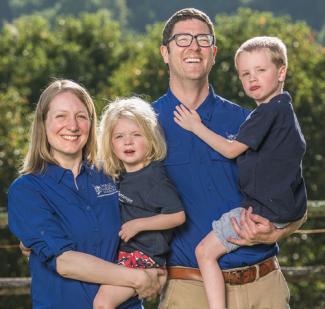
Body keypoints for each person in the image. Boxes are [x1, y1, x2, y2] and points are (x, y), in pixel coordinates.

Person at [154, 8, 307, 309]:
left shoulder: (249, 120)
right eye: (182, 39)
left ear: (213, 53)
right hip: (189, 291)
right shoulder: (143, 126)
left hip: (264, 287)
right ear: (165, 52)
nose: (193, 46)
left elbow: (293, 194)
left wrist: (276, 231)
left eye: (203, 39)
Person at [7, 80, 165, 309]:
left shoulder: (114, 175)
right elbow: (65, 262)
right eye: (61, 116)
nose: (72, 125)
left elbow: (153, 213)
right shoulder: (27, 190)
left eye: (81, 116)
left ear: (91, 123)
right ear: (43, 123)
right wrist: (138, 279)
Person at [93, 97, 185, 309]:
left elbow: (178, 215)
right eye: (119, 136)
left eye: (136, 135)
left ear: (151, 138)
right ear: (110, 143)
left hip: (144, 257)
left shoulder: (154, 177)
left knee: (102, 303)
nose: (128, 142)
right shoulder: (118, 175)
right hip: (124, 255)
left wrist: (139, 224)